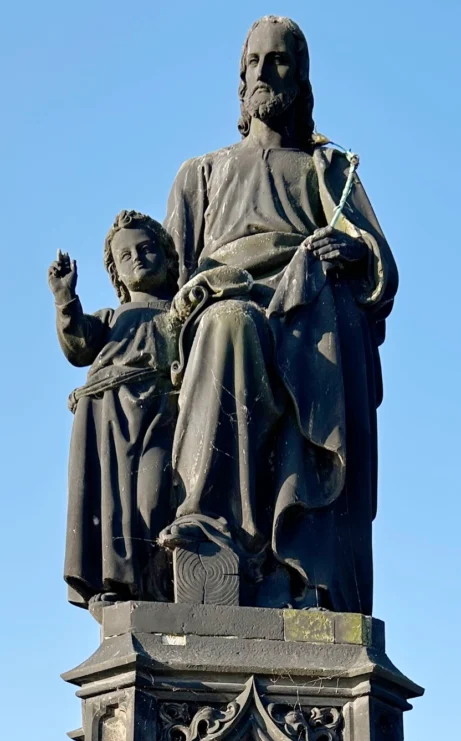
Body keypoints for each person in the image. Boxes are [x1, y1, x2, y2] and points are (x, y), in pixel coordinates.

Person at [163, 16, 398, 613]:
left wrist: (349, 251)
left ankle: (304, 560)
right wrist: (190, 298)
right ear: (240, 83)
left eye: (280, 61)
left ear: (303, 78)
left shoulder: (328, 170)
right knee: (230, 324)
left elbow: (378, 267)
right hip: (223, 303)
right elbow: (167, 284)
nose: (266, 73)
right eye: (254, 64)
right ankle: (212, 533)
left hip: (307, 307)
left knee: (303, 321)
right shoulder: (203, 174)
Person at [48, 210, 179, 608]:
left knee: (152, 500)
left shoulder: (181, 310)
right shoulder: (111, 319)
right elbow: (80, 346)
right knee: (112, 504)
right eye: (125, 256)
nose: (137, 258)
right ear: (116, 274)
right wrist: (65, 299)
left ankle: (162, 588)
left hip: (160, 416)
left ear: (168, 256)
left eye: (146, 249)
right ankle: (118, 587)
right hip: (107, 417)